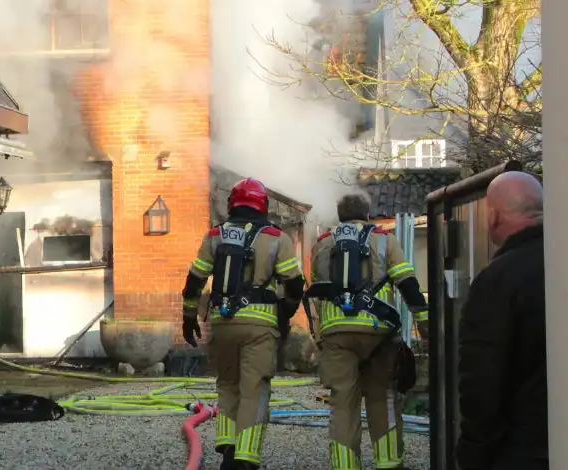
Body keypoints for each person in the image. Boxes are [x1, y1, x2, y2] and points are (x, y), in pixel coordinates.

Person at [181, 177, 304, 470]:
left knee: (227, 384)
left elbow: (195, 280)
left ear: (232, 204)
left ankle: (228, 448)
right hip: (259, 327)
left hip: (222, 323)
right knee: (254, 388)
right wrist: (285, 312)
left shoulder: (215, 235)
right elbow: (294, 283)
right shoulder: (276, 237)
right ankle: (245, 459)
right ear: (262, 205)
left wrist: (188, 318)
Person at [307, 192, 429, 470]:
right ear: (367, 212)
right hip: (378, 332)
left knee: (342, 403)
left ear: (339, 215)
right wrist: (424, 324)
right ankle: (388, 462)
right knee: (383, 396)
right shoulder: (384, 238)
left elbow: (317, 290)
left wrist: (319, 336)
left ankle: (345, 465)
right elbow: (407, 283)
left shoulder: (323, 244)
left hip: (336, 333)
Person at [457, 171, 547, 470]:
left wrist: (473, 452)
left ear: (493, 217)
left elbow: (482, 378)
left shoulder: (498, 280)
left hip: (518, 450)